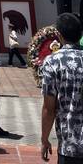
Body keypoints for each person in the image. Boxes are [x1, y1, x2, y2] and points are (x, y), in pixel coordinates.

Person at [41, 13, 83, 163]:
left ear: (59, 35)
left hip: (70, 143)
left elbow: (49, 108)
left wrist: (44, 138)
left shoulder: (53, 61)